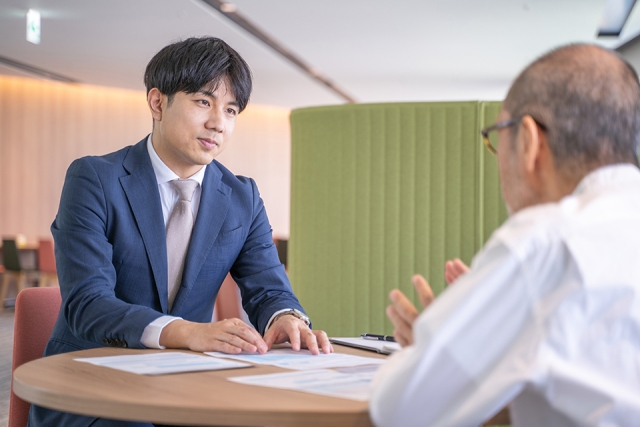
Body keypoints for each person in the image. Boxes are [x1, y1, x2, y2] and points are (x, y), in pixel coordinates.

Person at [29, 37, 331, 427]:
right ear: (157, 102)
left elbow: (269, 288)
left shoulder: (243, 196)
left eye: (231, 109)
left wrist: (286, 318)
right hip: (96, 390)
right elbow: (87, 303)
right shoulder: (95, 179)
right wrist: (186, 332)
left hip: (191, 390)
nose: (218, 123)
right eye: (203, 102)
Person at [370, 43, 640, 427]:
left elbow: (399, 409)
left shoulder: (546, 241)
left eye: (497, 137)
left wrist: (444, 342)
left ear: (529, 140)